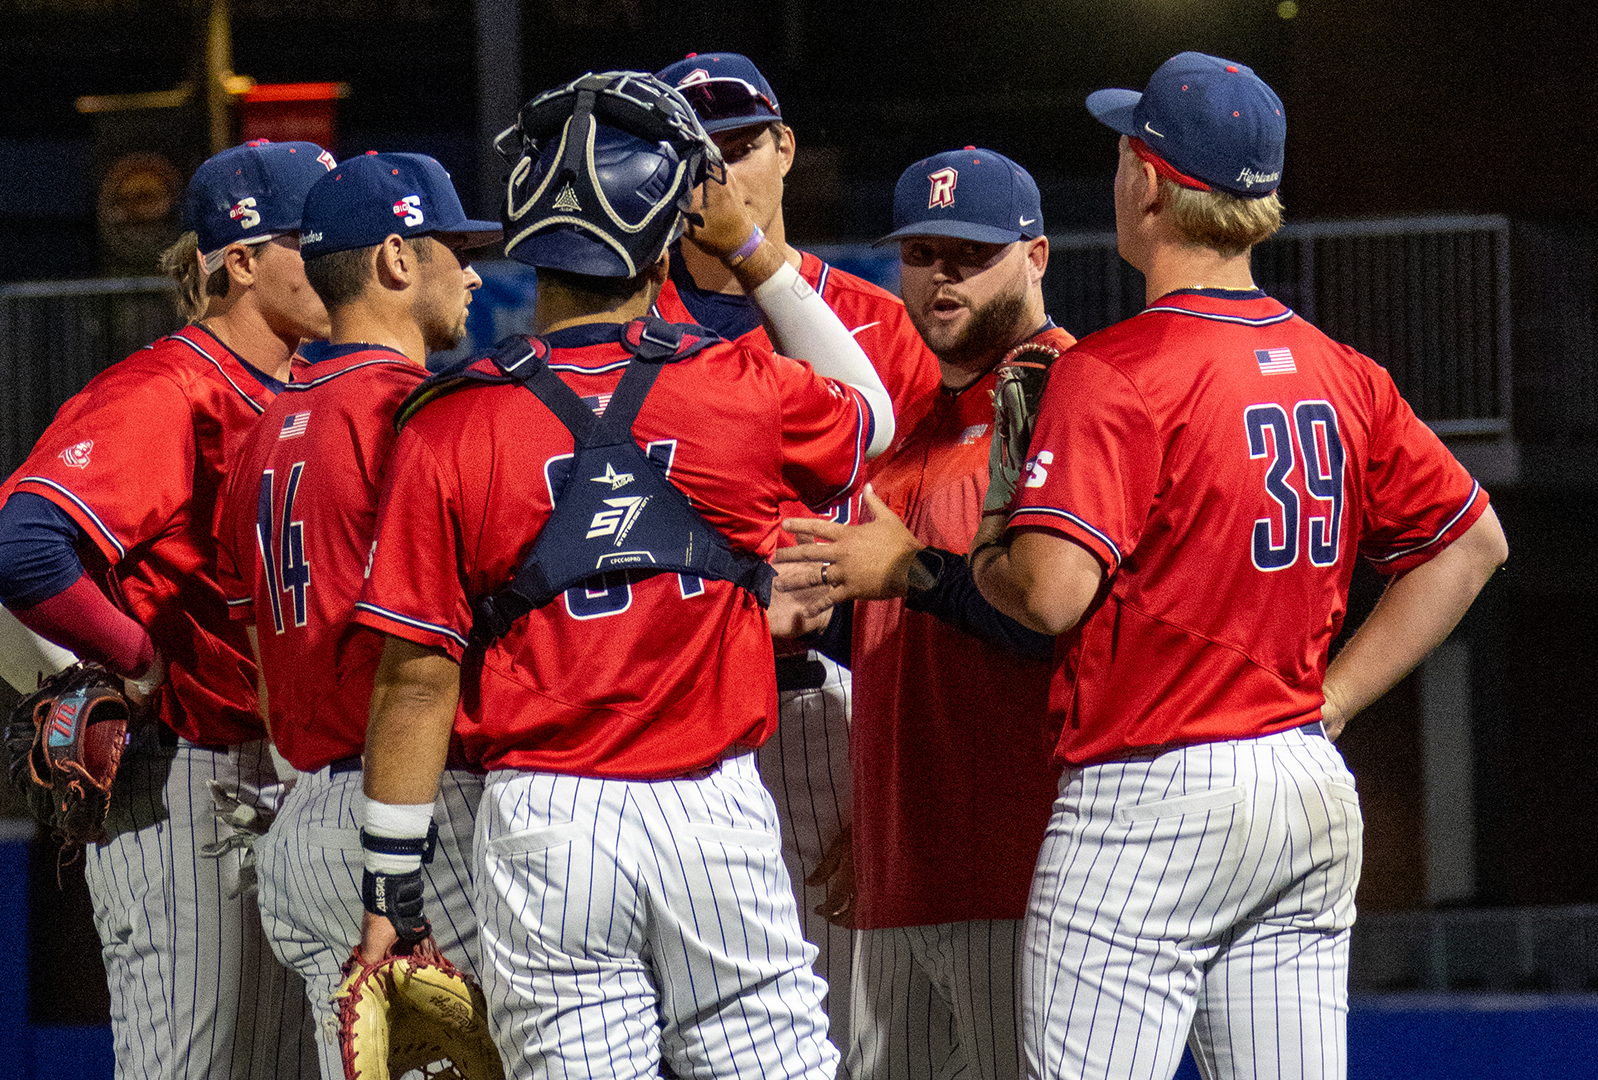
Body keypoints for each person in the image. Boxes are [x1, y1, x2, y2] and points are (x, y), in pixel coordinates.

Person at [966, 53, 1509, 1080]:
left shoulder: (1114, 372)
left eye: (1127, 153)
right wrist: (1333, 700)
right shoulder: (1344, 372)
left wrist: (996, 525)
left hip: (1150, 791)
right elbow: (1471, 545)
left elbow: (1049, 593)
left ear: (1148, 182)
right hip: (1299, 773)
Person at [348, 71, 896, 1079]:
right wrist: (750, 248)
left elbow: (417, 679)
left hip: (547, 820)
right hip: (712, 808)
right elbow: (875, 412)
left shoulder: (450, 419)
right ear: (665, 224)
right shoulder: (738, 386)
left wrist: (390, 890)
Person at [0, 138, 335, 1079]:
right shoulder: (170, 387)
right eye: (311, 238)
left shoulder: (302, 388)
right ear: (241, 259)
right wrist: (135, 663)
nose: (336, 255)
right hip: (187, 783)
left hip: (278, 774)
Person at [651, 52, 940, 1052]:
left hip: (822, 707)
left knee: (837, 1039)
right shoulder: (626, 323)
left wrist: (895, 789)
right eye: (693, 153)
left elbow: (930, 548)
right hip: (665, 713)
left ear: (784, 148)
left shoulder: (873, 325)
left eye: (738, 146)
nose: (717, 174)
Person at [774, 146, 1071, 1079]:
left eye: (971, 253)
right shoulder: (911, 435)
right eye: (921, 253)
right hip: (904, 877)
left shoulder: (1072, 394)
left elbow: (1060, 623)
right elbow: (916, 648)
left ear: (1036, 256)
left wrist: (911, 572)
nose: (942, 277)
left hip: (1023, 874)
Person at [212, 150, 501, 1077]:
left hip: (303, 823)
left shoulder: (261, 431)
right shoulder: (417, 412)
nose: (474, 274)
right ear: (396, 258)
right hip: (412, 813)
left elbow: (265, 667)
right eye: (456, 249)